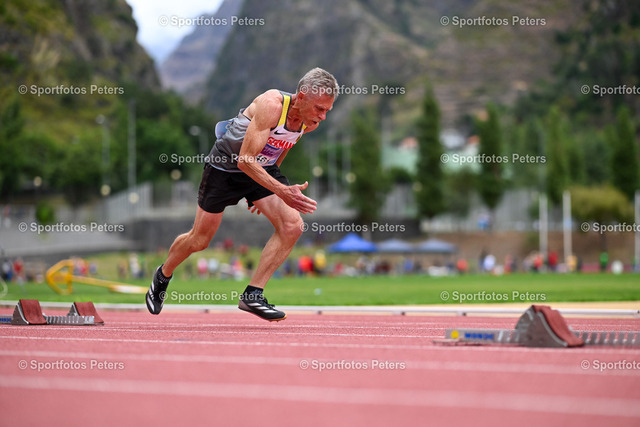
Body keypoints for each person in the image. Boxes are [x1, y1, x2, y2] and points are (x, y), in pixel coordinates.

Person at [146, 67, 339, 321]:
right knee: (200, 239)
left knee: (293, 225)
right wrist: (280, 190)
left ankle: (253, 294)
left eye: (327, 110)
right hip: (225, 168)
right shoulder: (272, 104)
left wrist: (267, 186)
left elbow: (283, 146)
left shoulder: (309, 122)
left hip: (260, 167)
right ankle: (163, 274)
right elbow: (245, 160)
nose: (322, 117)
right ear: (301, 97)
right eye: (319, 109)